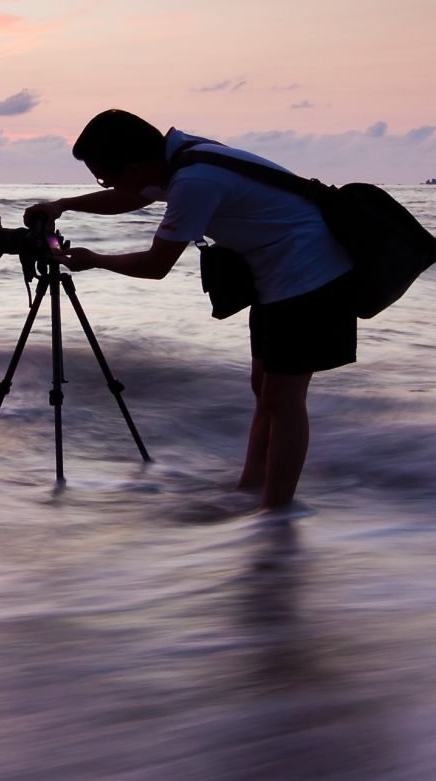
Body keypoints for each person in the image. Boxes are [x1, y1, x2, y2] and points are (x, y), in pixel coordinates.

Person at [23, 109, 355, 511]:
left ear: (132, 166)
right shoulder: (181, 157)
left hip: (312, 278)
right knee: (265, 392)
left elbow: (155, 266)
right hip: (276, 277)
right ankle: (251, 491)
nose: (104, 184)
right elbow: (131, 195)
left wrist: (95, 259)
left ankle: (276, 514)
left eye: (102, 177)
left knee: (283, 400)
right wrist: (64, 205)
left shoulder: (195, 181)